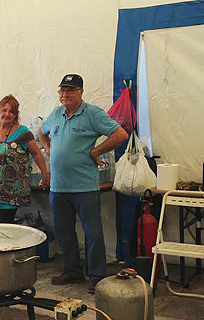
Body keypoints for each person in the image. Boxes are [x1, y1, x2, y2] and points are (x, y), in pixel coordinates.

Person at [37, 74, 128, 294]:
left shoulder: (92, 114)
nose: (65, 94)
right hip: (59, 188)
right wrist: (49, 150)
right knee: (63, 231)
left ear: (81, 92)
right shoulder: (56, 114)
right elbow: (41, 131)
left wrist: (96, 151)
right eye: (62, 90)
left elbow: (120, 134)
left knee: (93, 233)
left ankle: (97, 275)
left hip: (85, 187)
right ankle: (72, 271)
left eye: (70, 90)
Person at [0, 94, 49, 223]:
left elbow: (37, 154)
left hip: (10, 195)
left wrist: (45, 175)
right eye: (4, 110)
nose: (7, 114)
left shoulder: (23, 132)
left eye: (11, 111)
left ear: (15, 115)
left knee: (6, 228)